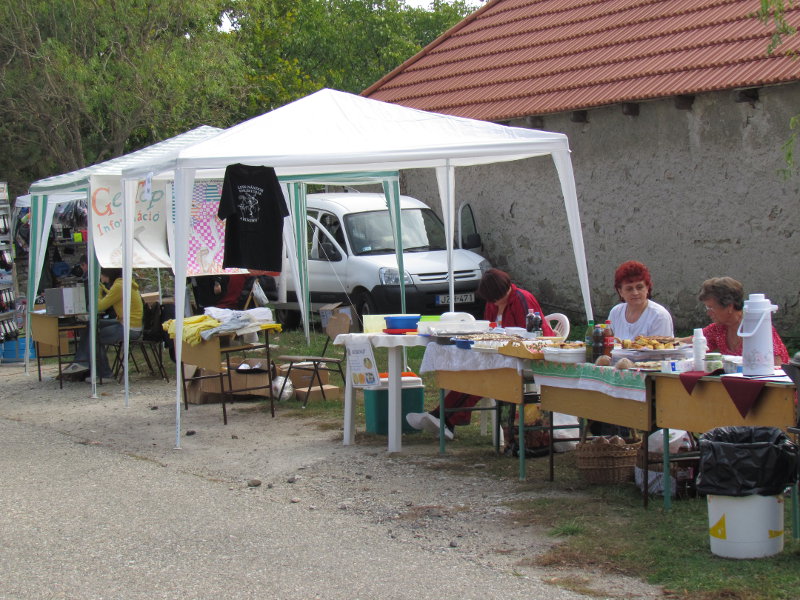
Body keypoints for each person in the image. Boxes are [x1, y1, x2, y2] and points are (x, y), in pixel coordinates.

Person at [406, 268, 554, 439]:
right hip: (501, 356)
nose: (495, 303)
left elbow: (531, 335)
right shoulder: (492, 303)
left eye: (496, 299)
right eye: (491, 300)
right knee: (471, 373)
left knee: (481, 379)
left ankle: (443, 417)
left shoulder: (522, 299)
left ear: (503, 290)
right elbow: (489, 329)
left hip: (527, 358)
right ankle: (443, 418)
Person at [63, 268, 144, 380]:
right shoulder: (122, 283)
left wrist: (97, 292)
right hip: (127, 322)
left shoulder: (119, 286)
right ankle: (81, 362)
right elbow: (111, 295)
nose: (100, 277)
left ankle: (104, 374)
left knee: (95, 337)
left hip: (129, 327)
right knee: (91, 326)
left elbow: (99, 306)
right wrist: (102, 289)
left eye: (101, 274)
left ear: (107, 274)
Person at [695, 277, 789, 365]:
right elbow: (695, 340)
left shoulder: (756, 327)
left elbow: (776, 363)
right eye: (707, 308)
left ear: (729, 306)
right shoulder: (719, 329)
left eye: (711, 308)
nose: (708, 313)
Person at [607, 261, 673, 340]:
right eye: (629, 289)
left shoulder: (659, 316)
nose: (635, 293)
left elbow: (661, 347)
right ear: (620, 292)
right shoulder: (615, 313)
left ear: (647, 288)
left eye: (639, 287)